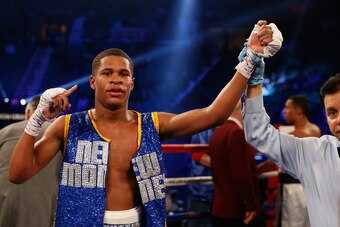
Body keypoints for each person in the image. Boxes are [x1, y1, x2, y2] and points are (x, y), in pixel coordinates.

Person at [9, 20, 282, 226]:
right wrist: (38, 118)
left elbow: (214, 115)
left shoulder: (152, 125)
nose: (115, 79)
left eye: (123, 74)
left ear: (132, 83)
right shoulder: (67, 126)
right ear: (93, 81)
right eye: (107, 73)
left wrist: (249, 62)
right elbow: (18, 174)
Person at [243, 69, 340, 227]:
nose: (338, 120)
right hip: (292, 190)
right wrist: (253, 70)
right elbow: (257, 133)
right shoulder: (314, 153)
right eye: (332, 113)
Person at [0, 96, 62, 227]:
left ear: (28, 113)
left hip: (5, 210)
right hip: (47, 213)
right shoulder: (63, 136)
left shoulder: (4, 132)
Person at [208, 100, 261, 227]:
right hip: (235, 208)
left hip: (219, 206)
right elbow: (241, 175)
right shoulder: (236, 133)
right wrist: (252, 205)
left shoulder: (218, 132)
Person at [276, 95, 321, 227]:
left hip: (295, 188)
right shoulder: (307, 130)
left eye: (287, 107)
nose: (284, 111)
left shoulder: (305, 133)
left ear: (298, 111)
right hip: (297, 188)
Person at [187, 128, 215, 227]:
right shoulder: (204, 128)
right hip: (201, 194)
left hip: (222, 195)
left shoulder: (233, 127)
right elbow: (198, 155)